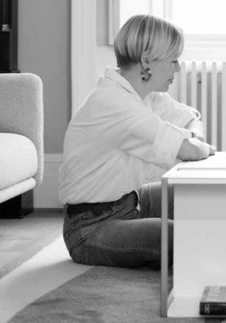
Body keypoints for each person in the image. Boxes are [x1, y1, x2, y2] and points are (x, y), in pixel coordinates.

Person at [58, 14, 214, 268]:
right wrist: (199, 145)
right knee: (178, 235)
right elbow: (189, 150)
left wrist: (195, 139)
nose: (177, 68)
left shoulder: (143, 95)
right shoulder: (115, 103)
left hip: (130, 202)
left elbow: (191, 118)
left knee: (198, 195)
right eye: (173, 60)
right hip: (90, 228)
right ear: (146, 61)